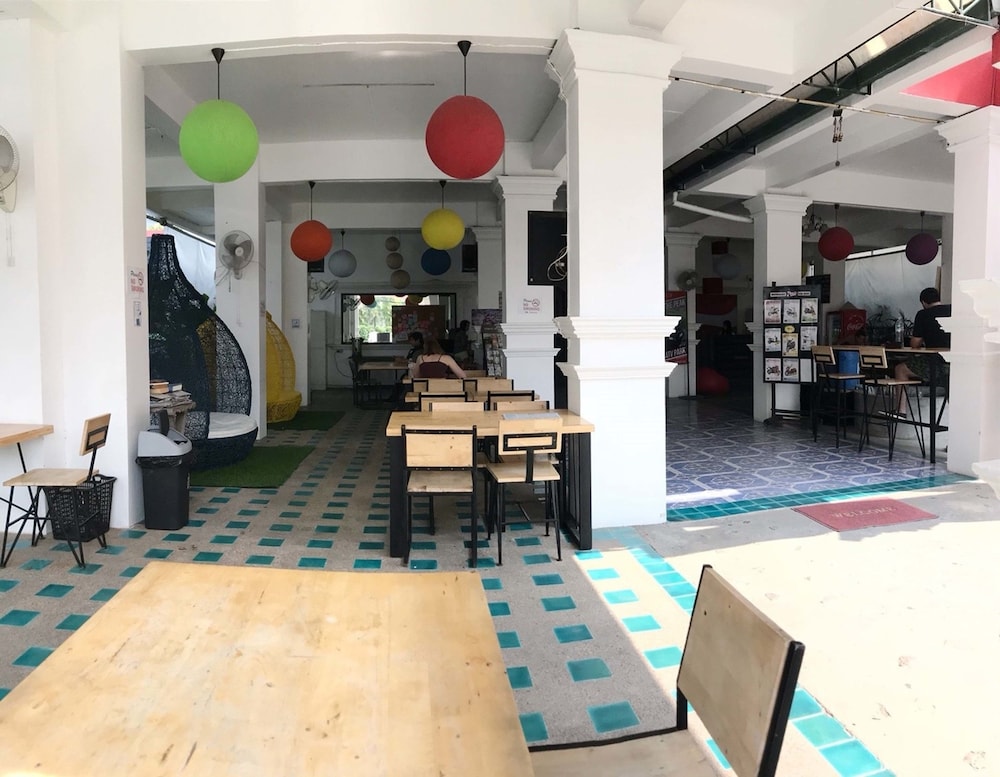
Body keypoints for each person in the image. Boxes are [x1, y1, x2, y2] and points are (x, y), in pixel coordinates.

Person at [893, 286, 951, 413]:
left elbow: (915, 344)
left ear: (923, 302)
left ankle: (901, 411)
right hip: (954, 364)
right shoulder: (952, 309)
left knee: (900, 369)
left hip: (935, 364)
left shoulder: (923, 314)